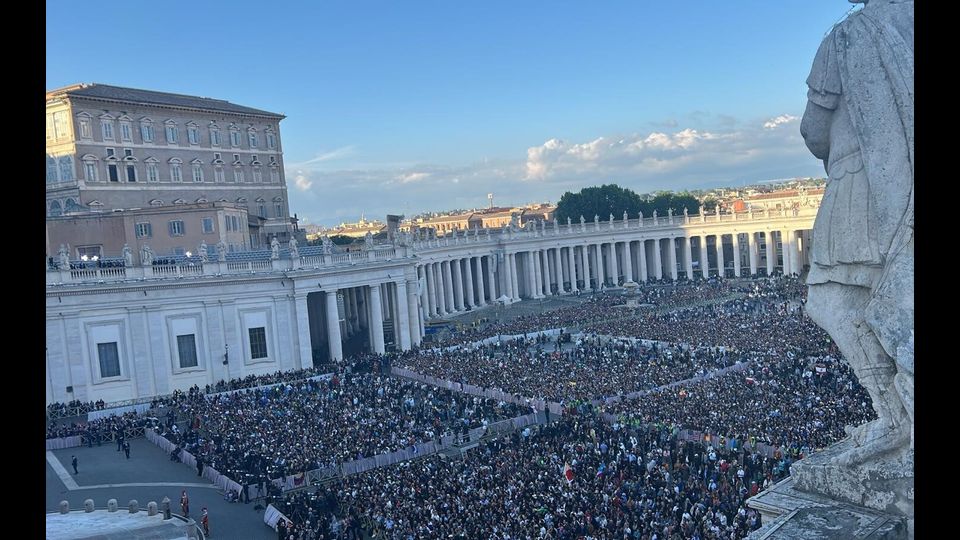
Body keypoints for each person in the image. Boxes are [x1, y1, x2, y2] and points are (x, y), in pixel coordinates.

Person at [800, 0, 913, 466]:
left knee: (830, 300)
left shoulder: (847, 37)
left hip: (860, 186)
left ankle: (895, 417)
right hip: (900, 185)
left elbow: (814, 132)